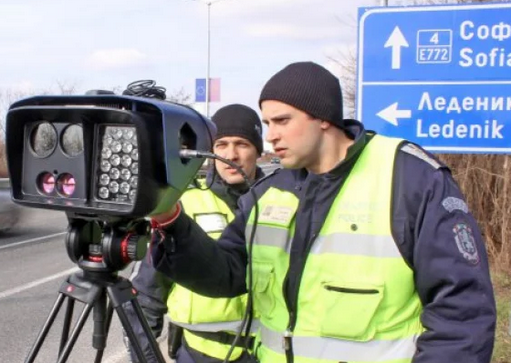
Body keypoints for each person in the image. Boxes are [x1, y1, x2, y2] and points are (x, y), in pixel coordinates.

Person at [147, 62, 497, 363]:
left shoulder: (409, 179)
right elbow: (225, 275)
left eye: (282, 121)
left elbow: (462, 311)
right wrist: (171, 221)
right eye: (268, 124)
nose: (272, 137)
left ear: (324, 119)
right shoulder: (269, 192)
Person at [124, 104, 267, 363]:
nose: (231, 155)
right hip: (198, 353)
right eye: (221, 144)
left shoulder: (281, 202)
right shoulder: (181, 205)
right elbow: (146, 297)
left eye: (242, 144)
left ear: (258, 149)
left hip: (267, 353)